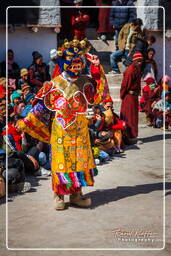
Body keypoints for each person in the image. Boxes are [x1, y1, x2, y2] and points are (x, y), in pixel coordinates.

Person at [17, 38, 111, 210]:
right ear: (63, 62)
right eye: (72, 60)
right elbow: (40, 106)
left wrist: (96, 67)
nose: (77, 63)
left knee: (79, 163)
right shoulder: (54, 84)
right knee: (61, 163)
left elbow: (99, 95)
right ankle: (58, 195)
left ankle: (76, 194)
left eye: (79, 60)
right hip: (62, 131)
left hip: (81, 131)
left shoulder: (85, 82)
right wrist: (26, 121)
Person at [120, 52, 143, 143]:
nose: (140, 63)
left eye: (141, 61)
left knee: (133, 117)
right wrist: (123, 96)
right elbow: (124, 85)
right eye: (138, 61)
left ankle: (132, 136)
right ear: (134, 61)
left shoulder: (137, 69)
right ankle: (128, 137)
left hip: (134, 97)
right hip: (129, 96)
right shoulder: (130, 70)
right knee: (129, 117)